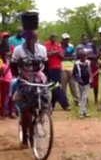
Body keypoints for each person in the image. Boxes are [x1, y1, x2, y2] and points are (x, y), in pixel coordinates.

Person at [10, 12, 49, 147]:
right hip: (25, 80)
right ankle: (26, 137)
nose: (31, 41)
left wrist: (46, 78)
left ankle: (42, 117)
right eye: (28, 38)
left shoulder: (42, 50)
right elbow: (13, 67)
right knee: (26, 110)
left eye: (33, 38)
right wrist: (19, 76)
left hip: (39, 80)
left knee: (45, 103)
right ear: (25, 39)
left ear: (36, 39)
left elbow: (46, 66)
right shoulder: (18, 51)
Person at [44, 33, 70, 110]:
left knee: (55, 86)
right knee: (55, 86)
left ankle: (52, 104)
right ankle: (65, 104)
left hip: (57, 68)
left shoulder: (58, 46)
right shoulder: (46, 45)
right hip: (49, 68)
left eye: (55, 37)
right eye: (52, 37)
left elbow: (62, 56)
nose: (53, 38)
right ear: (50, 38)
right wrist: (55, 52)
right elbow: (46, 54)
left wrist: (57, 53)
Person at [72, 48, 92, 118]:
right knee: (82, 97)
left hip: (87, 82)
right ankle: (84, 111)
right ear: (79, 56)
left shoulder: (88, 63)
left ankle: (81, 112)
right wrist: (78, 80)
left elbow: (90, 72)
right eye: (82, 56)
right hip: (80, 83)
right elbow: (74, 74)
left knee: (84, 97)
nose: (84, 57)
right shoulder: (77, 64)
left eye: (85, 56)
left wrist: (91, 80)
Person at [61, 33, 79, 105]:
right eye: (65, 39)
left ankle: (76, 100)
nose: (66, 40)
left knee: (73, 85)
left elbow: (74, 57)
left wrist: (65, 58)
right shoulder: (59, 47)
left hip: (71, 68)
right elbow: (61, 58)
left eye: (67, 39)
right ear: (62, 39)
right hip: (62, 68)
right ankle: (65, 101)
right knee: (63, 86)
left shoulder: (71, 46)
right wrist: (67, 58)